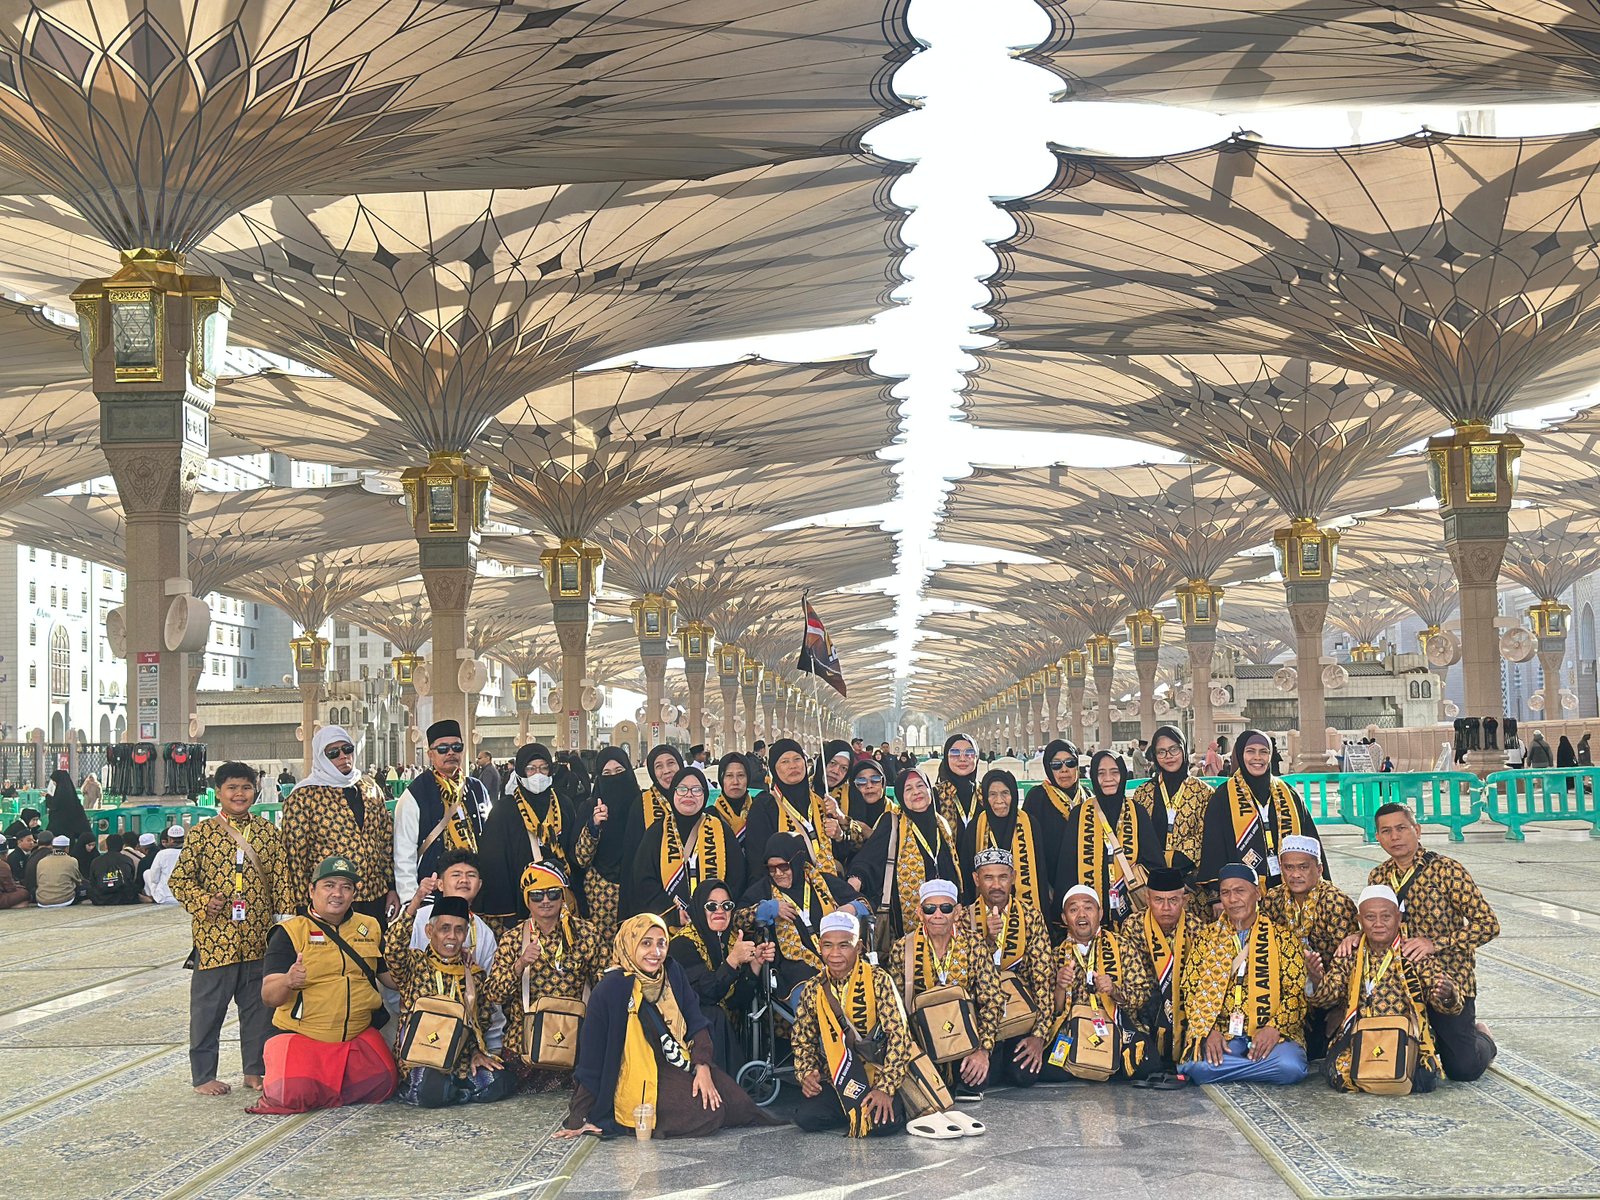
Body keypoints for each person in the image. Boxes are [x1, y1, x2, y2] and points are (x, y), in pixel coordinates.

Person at [556, 914, 776, 1139]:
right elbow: (592, 1057)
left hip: (678, 1062)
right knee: (708, 1114)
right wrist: (579, 1116)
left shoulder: (672, 972)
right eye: (646, 943)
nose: (656, 952)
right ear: (629, 944)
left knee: (738, 1105)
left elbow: (695, 1019)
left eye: (661, 943)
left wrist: (703, 1066)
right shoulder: (610, 989)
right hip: (638, 1073)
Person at [168, 762, 298, 1096]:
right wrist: (202, 902)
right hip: (215, 941)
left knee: (259, 1011)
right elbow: (180, 880)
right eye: (231, 788)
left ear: (255, 791)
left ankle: (255, 1071)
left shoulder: (269, 834)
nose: (239, 794)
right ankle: (203, 1076)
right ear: (218, 792)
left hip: (258, 939)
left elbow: (283, 883)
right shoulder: (202, 833)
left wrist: (285, 931)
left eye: (245, 787)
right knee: (207, 1011)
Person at [1356, 803, 1498, 1080]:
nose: (1395, 837)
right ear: (1377, 837)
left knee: (1463, 1069)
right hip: (1396, 984)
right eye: (1386, 831)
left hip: (1448, 981)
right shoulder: (1379, 876)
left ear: (1416, 830)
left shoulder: (1447, 871)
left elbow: (1488, 925)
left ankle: (1484, 1038)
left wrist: (1436, 944)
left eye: (1401, 828)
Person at [251, 855, 397, 1114]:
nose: (337, 894)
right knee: (292, 1096)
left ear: (354, 893)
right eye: (329, 885)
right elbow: (269, 996)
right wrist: (287, 980)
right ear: (311, 889)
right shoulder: (290, 932)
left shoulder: (370, 926)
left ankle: (329, 1086)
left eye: (346, 887)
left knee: (384, 1085)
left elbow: (390, 978)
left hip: (356, 1035)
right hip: (304, 1036)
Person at [1310, 885, 1461, 1094]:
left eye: (1386, 917)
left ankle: (1483, 1035)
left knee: (1421, 1080)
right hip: (1360, 1035)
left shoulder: (1412, 952)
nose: (1378, 924)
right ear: (1359, 920)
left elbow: (1449, 1006)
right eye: (1370, 917)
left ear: (1398, 918)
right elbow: (1326, 999)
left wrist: (1447, 995)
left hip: (1404, 1037)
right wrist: (1316, 978)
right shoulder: (1350, 954)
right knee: (1338, 1074)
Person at [791, 911, 924, 1138]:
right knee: (806, 1117)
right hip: (840, 1079)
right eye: (827, 946)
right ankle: (855, 1110)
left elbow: (899, 1036)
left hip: (879, 1074)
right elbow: (802, 1037)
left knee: (883, 1125)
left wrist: (885, 1089)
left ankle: (870, 1107)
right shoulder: (814, 987)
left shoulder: (878, 979)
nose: (834, 954)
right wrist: (807, 1073)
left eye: (844, 945)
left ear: (859, 947)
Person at [1177, 863, 1308, 1085]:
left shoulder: (1282, 937)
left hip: (1270, 1035)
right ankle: (1255, 1066)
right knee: (1197, 1066)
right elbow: (1189, 989)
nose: (1233, 899)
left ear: (1257, 893)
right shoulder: (1206, 938)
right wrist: (1207, 1030)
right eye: (1225, 893)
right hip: (1224, 1034)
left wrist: (1274, 1028)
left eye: (1240, 891)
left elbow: (1296, 994)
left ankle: (1231, 1067)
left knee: (1291, 1067)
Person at [487, 862, 607, 1091]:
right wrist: (520, 964)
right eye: (536, 895)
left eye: (553, 893)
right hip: (525, 1047)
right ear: (527, 900)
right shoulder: (512, 939)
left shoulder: (586, 933)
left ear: (563, 896)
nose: (545, 900)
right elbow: (494, 994)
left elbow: (606, 984)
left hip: (573, 1042)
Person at [387, 894, 515, 1107]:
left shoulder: (473, 974)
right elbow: (392, 949)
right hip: (421, 1057)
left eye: (459, 930)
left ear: (466, 934)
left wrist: (477, 1052)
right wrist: (415, 902)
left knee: (500, 1080)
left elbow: (481, 1020)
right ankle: (446, 1090)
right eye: (444, 928)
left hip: (459, 1058)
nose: (452, 936)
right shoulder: (414, 963)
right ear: (430, 931)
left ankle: (453, 1090)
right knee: (432, 1089)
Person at [888, 879, 1003, 1103]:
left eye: (946, 908)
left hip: (966, 1042)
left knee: (974, 1081)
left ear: (957, 912)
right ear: (920, 913)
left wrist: (983, 1050)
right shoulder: (903, 948)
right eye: (930, 909)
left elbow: (992, 1000)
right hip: (924, 1043)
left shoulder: (974, 944)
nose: (938, 915)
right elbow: (896, 1007)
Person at [282, 725, 397, 924]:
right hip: (331, 900)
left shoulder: (369, 787)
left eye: (347, 749)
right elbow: (295, 856)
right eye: (333, 753)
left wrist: (391, 887)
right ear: (321, 757)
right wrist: (302, 906)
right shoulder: (304, 796)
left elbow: (386, 842)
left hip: (374, 895)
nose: (343, 756)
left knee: (372, 952)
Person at [1041, 884, 1152, 1082]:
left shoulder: (1121, 946)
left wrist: (1114, 991)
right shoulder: (1057, 954)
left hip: (1114, 1025)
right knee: (1045, 1071)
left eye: (1088, 908)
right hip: (1073, 1029)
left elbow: (1142, 995)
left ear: (1100, 913)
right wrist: (1059, 986)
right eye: (1073, 909)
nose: (1081, 915)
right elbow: (1053, 1011)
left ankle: (1095, 1066)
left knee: (1146, 1065)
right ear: (1065, 918)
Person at [1196, 729, 1322, 904]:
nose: (1257, 757)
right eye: (1250, 751)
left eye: (1263, 752)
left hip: (1291, 888)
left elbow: (1311, 841)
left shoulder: (1288, 793)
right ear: (1240, 754)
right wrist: (1218, 895)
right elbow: (1214, 848)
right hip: (1242, 893)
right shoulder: (1224, 796)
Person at [741, 832, 866, 1007]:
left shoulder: (822, 881)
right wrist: (765, 909)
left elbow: (865, 903)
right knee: (813, 999)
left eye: (784, 867)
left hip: (838, 957)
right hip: (795, 968)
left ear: (797, 862)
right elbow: (736, 920)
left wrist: (852, 907)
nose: (777, 873)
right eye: (771, 868)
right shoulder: (762, 890)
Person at [1261, 834, 1356, 1060]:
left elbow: (1349, 963)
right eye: (1289, 867)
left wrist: (1341, 1008)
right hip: (1286, 993)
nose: (1295, 874)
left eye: (1303, 867)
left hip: (1329, 993)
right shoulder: (1273, 899)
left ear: (1320, 869)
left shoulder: (1336, 902)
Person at [967, 847, 1052, 1088]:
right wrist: (987, 941)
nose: (996, 885)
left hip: (1019, 1016)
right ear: (976, 879)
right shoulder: (965, 918)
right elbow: (960, 977)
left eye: (1003, 877)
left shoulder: (1031, 917)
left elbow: (1043, 981)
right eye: (988, 877)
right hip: (982, 1019)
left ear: (1013, 877)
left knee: (1024, 1075)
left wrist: (1039, 1035)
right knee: (980, 1081)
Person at [669, 877, 771, 1074]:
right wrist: (732, 962)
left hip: (725, 1029)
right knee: (713, 1013)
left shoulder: (734, 941)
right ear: (699, 908)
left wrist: (755, 965)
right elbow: (706, 995)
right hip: (691, 1031)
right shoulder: (682, 945)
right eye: (711, 905)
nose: (720, 911)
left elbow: (736, 1002)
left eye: (726, 905)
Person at [845, 766, 958, 943]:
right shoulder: (893, 822)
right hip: (906, 926)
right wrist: (852, 888)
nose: (916, 792)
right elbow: (868, 860)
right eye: (908, 789)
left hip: (945, 917)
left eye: (921, 786)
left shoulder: (942, 824)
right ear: (901, 797)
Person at [1055, 750, 1163, 929]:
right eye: (1101, 773)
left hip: (1132, 912)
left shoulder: (1137, 812)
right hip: (1089, 918)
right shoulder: (1080, 814)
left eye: (1114, 772)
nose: (1108, 778)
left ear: (1122, 774)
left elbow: (1154, 862)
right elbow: (1067, 869)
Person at [627, 765, 743, 926]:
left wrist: (717, 908)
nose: (689, 794)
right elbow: (643, 880)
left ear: (705, 794)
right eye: (682, 789)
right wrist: (672, 914)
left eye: (696, 790)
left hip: (715, 923)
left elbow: (736, 877)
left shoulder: (720, 829)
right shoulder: (657, 831)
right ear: (673, 793)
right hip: (669, 928)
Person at [392, 720, 491, 906]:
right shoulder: (415, 794)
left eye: (456, 747)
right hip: (433, 895)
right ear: (430, 754)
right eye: (443, 748)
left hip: (475, 894)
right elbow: (404, 853)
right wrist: (410, 900)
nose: (451, 752)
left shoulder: (477, 789)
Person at [1119, 864, 1204, 1080]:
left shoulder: (1197, 928)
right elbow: (1133, 982)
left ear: (1184, 901)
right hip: (1146, 1009)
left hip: (1185, 1010)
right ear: (1148, 899)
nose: (1166, 908)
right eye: (1158, 900)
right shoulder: (1132, 926)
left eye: (1173, 900)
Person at [479, 743, 577, 930]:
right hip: (518, 902)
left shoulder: (564, 804)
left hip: (558, 898)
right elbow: (494, 862)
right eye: (531, 769)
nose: (538, 774)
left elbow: (573, 850)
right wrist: (506, 911)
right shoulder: (504, 810)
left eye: (543, 768)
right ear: (521, 772)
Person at [744, 739, 846, 883]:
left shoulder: (821, 802)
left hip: (829, 885)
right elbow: (757, 861)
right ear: (774, 769)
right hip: (786, 891)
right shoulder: (764, 806)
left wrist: (839, 836)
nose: (793, 766)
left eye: (797, 759)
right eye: (784, 762)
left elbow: (840, 853)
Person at [959, 769, 1046, 915]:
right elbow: (967, 873)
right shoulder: (975, 827)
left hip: (1024, 909)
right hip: (984, 908)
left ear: (1013, 794)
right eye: (992, 794)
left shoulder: (1030, 824)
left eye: (1005, 793)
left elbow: (1040, 873)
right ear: (985, 797)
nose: (999, 800)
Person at [1130, 725, 1213, 876]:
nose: (1168, 756)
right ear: (1154, 756)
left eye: (1174, 749)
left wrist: (1175, 858)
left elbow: (1207, 835)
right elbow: (1134, 834)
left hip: (1190, 881)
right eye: (1161, 752)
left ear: (1184, 750)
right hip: (1152, 878)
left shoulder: (1203, 792)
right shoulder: (1143, 792)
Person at [576, 747, 638, 945]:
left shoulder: (644, 806)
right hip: (601, 897)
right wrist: (594, 826)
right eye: (606, 774)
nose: (614, 778)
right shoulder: (589, 807)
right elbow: (580, 859)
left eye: (619, 772)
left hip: (639, 891)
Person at [1023, 740, 1091, 882]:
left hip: (1088, 880)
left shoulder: (1088, 796)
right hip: (1050, 884)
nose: (1064, 769)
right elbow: (1027, 847)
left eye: (1070, 763)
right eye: (1056, 765)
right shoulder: (1037, 798)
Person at [632, 744, 686, 837]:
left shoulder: (695, 796)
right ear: (653, 773)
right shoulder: (642, 803)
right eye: (659, 766)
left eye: (671, 763)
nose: (666, 771)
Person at [933, 733, 982, 831]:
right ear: (946, 758)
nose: (962, 758)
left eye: (969, 753)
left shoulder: (984, 793)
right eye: (955, 753)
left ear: (976, 757)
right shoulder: (935, 795)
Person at [711, 753, 755, 846]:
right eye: (729, 776)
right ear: (721, 779)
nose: (735, 782)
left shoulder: (760, 808)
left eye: (741, 775)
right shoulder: (711, 815)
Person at [87, 833, 140, 906]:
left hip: (101, 898)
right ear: (122, 846)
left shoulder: (96, 861)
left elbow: (93, 881)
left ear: (106, 846)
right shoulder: (127, 860)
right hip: (124, 898)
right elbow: (131, 878)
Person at [33, 834, 81, 907]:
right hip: (65, 900)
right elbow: (78, 881)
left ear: (52, 847)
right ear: (67, 848)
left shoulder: (42, 861)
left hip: (42, 900)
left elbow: (38, 882)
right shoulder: (72, 861)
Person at [43, 769, 90, 842]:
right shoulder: (71, 794)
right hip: (71, 830)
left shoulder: (60, 793)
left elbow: (54, 804)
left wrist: (47, 796)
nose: (54, 783)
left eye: (54, 781)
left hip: (60, 829)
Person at [144, 825, 186, 904]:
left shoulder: (162, 854)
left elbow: (154, 878)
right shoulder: (189, 852)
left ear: (170, 839)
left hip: (165, 897)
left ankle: (151, 898)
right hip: (185, 897)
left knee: (147, 873)